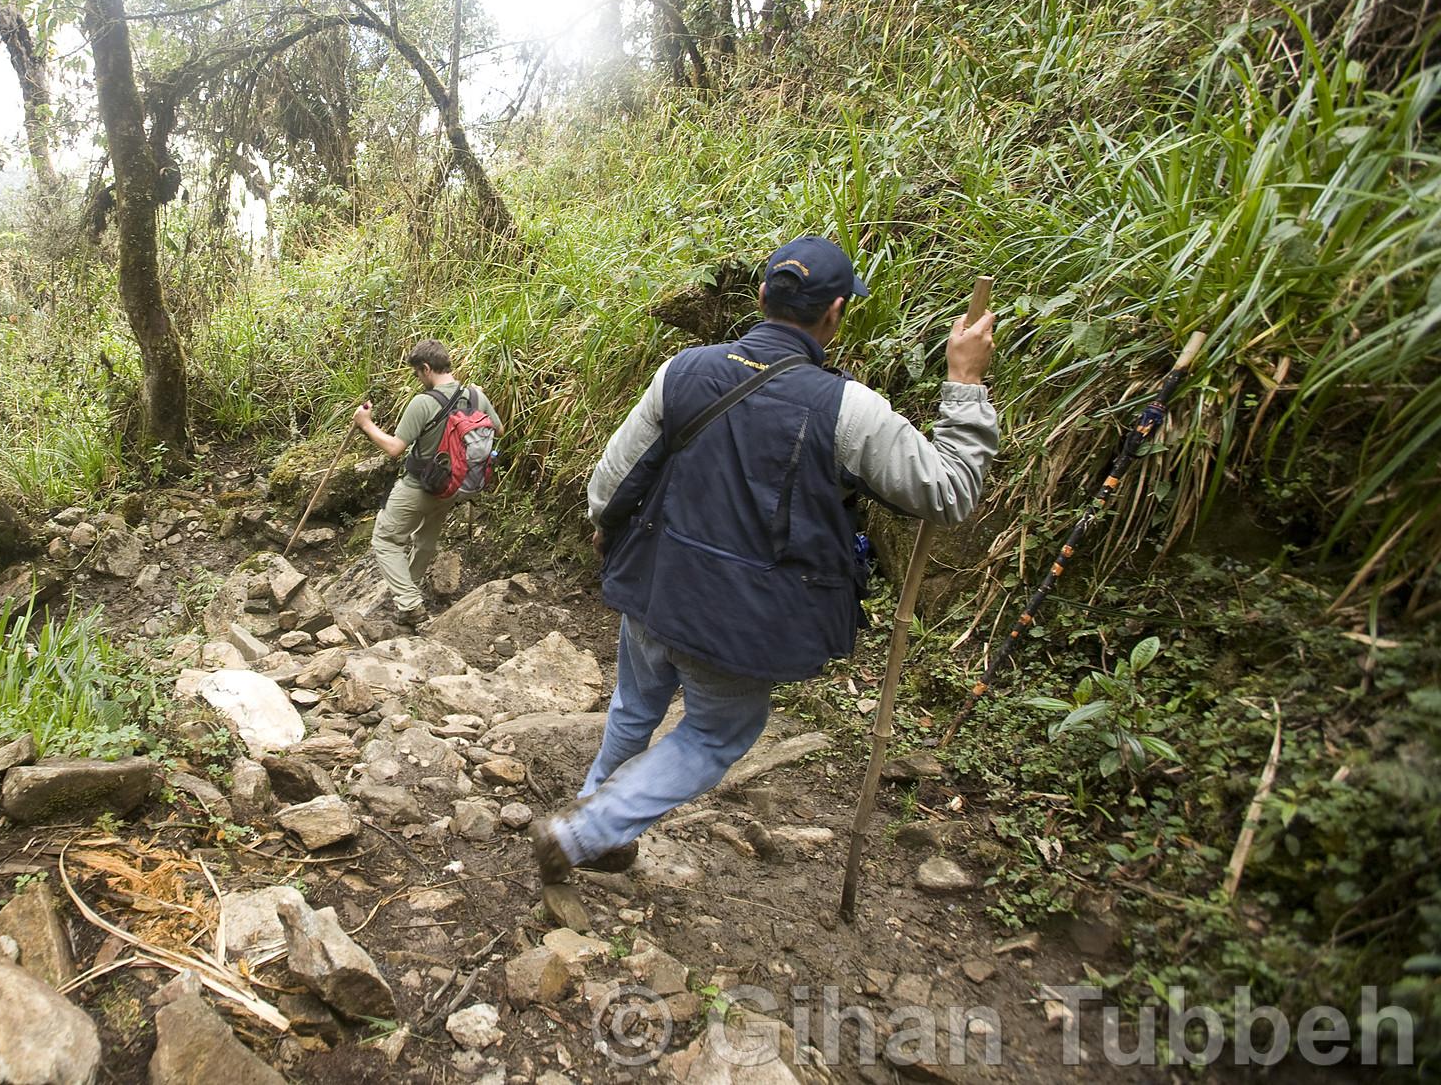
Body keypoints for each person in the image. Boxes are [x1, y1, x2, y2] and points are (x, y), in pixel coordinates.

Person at [531, 236, 998, 881]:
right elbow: (947, 492)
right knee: (717, 734)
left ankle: (593, 820)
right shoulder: (848, 410)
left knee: (635, 706)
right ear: (835, 313)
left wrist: (609, 540)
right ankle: (587, 830)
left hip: (656, 584)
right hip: (738, 620)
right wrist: (965, 382)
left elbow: (611, 484)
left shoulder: (684, 371)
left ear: (760, 297)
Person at [354, 340, 497, 626]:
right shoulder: (475, 396)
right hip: (454, 487)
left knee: (385, 540)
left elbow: (395, 448)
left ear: (426, 368)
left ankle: (409, 603)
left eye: (418, 374)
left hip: (419, 486)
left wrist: (366, 423)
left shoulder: (423, 402)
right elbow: (499, 428)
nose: (418, 380)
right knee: (425, 539)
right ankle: (409, 592)